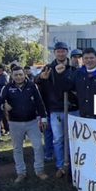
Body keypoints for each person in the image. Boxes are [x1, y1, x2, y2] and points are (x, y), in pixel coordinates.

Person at [36, 41, 79, 178]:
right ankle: (61, 166)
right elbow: (36, 82)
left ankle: (74, 164)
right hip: (56, 109)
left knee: (74, 138)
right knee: (58, 139)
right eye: (58, 51)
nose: (61, 53)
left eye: (63, 51)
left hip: (73, 109)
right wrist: (40, 78)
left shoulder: (73, 69)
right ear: (54, 53)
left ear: (67, 52)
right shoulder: (48, 68)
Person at [0, 66, 48, 182]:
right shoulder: (7, 88)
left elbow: (39, 102)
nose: (18, 77)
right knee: (17, 149)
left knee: (38, 146)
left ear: (24, 74)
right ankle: (21, 173)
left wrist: (44, 118)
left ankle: (39, 170)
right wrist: (3, 106)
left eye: (20, 74)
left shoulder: (32, 86)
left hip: (32, 122)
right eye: (16, 75)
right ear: (12, 76)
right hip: (15, 123)